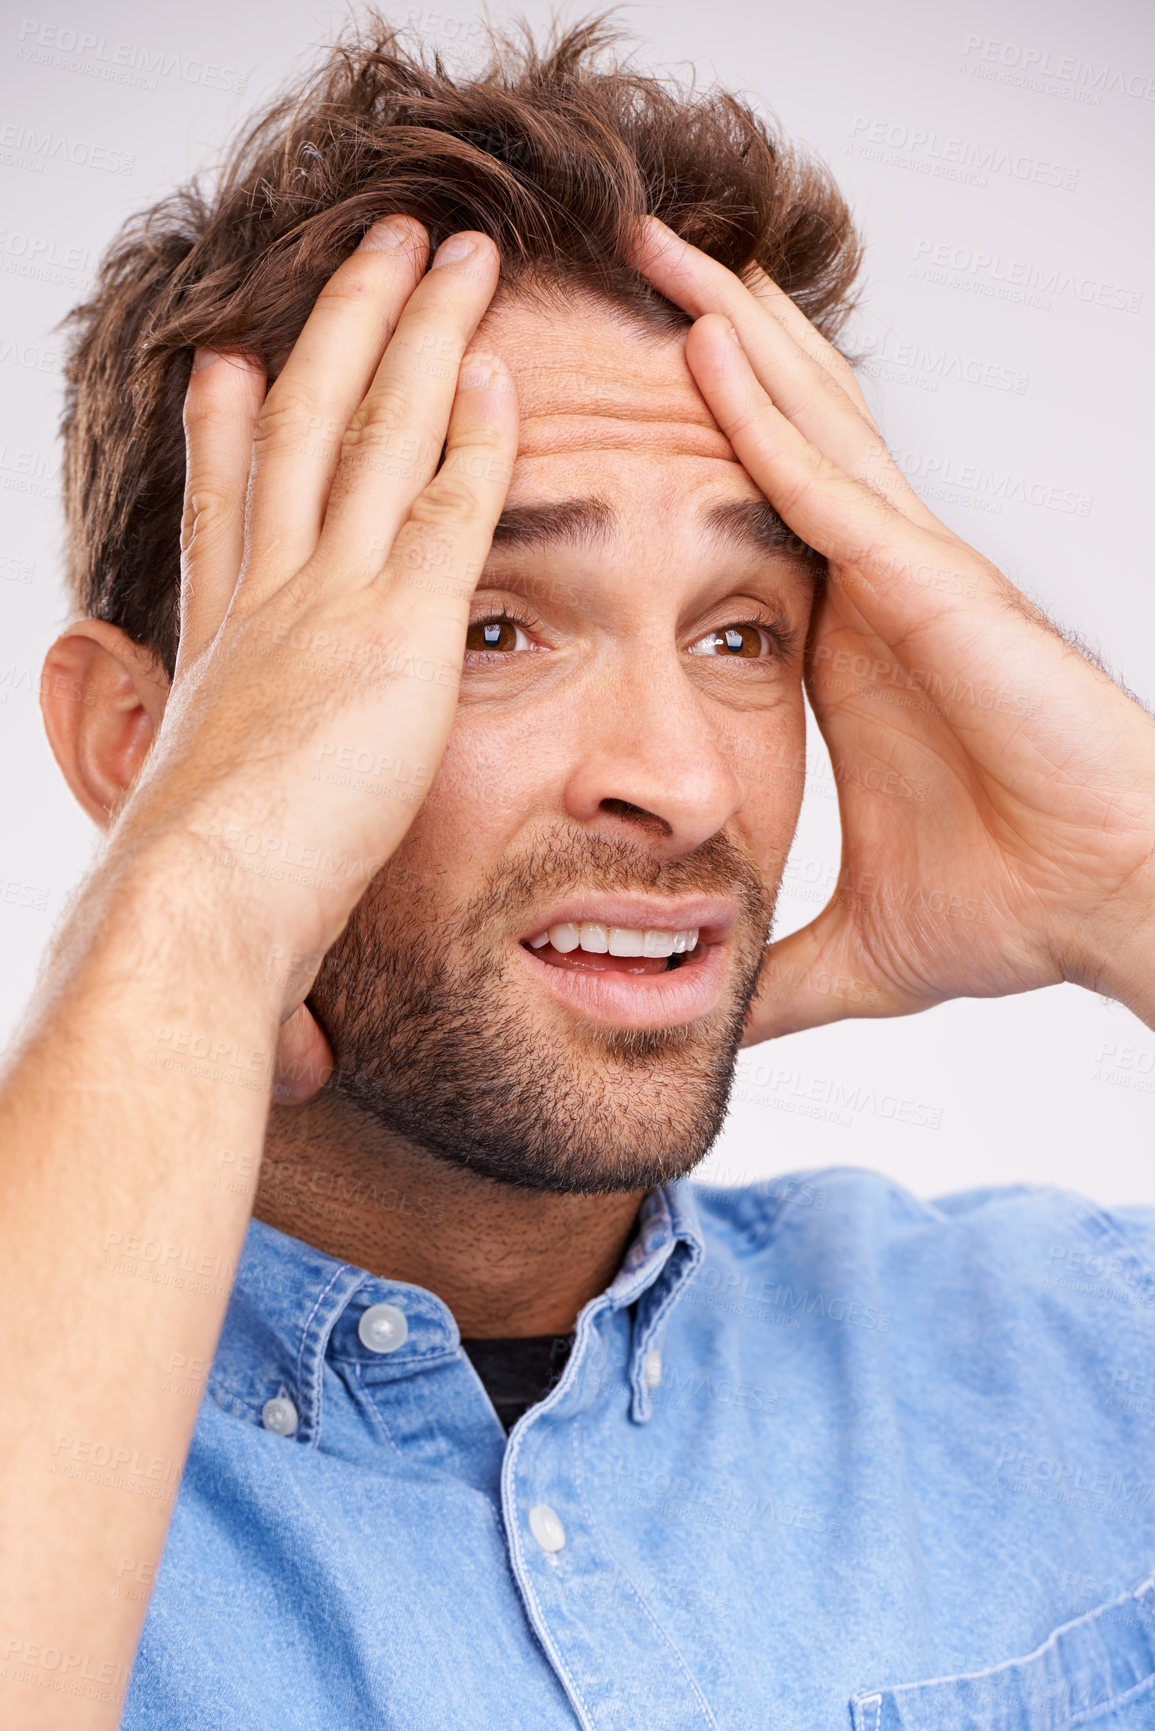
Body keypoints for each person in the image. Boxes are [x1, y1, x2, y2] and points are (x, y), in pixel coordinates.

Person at [4, 9, 1155, 1729]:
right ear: (131, 741)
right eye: (488, 622)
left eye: (744, 632)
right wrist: (203, 896)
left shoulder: (1075, 1357)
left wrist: (1129, 872)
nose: (682, 783)